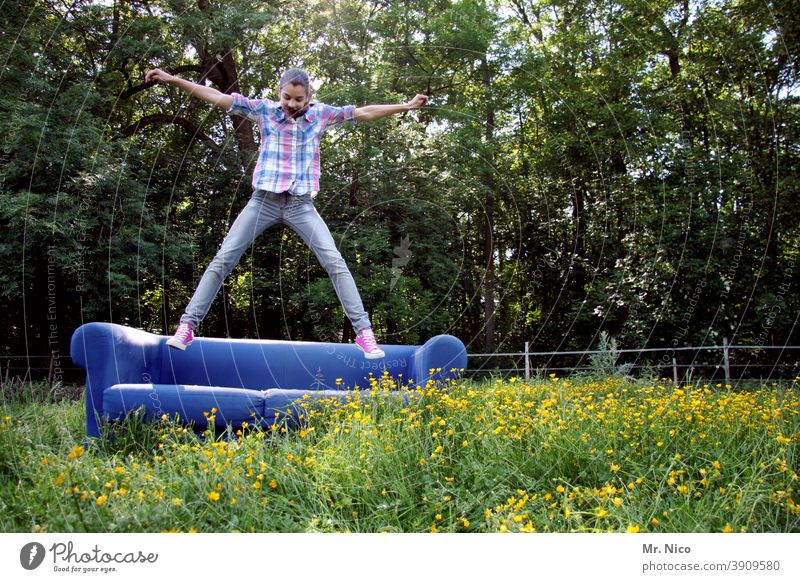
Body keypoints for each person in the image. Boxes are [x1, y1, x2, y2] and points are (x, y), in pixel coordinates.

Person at [144, 67, 428, 358]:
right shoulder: (264, 111)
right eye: (287, 97)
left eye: (299, 99)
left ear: (309, 98)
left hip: (300, 205)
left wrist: (405, 106)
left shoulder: (322, 115)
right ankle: (187, 326)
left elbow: (364, 112)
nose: (292, 104)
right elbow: (216, 97)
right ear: (279, 92)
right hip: (262, 202)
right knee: (224, 258)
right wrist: (173, 79)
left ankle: (364, 333)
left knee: (334, 260)